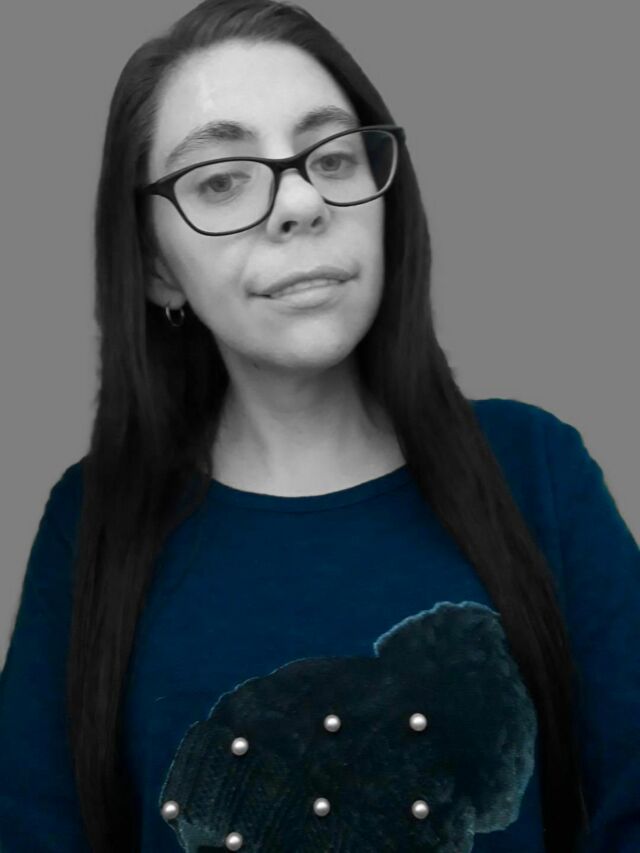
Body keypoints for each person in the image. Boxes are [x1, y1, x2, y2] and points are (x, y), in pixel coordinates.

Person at [0, 0, 638, 851]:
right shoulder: (91, 521)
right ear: (156, 265)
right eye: (220, 178)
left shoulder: (536, 469)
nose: (299, 202)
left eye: (331, 157)